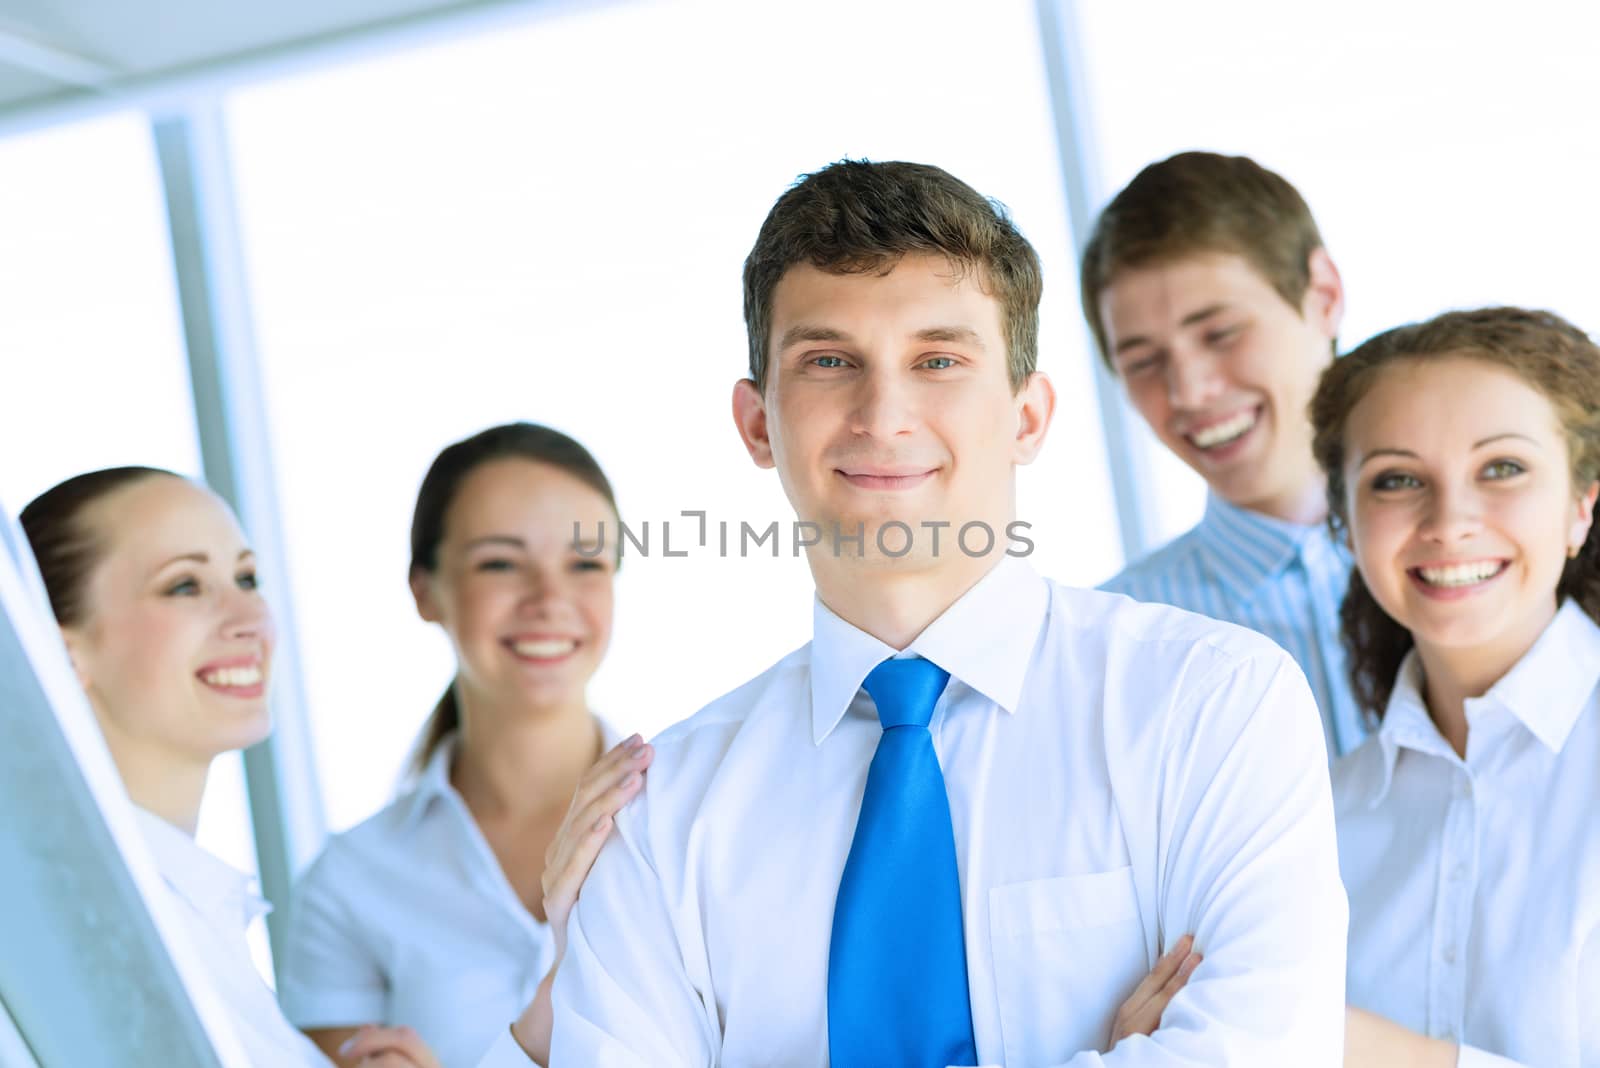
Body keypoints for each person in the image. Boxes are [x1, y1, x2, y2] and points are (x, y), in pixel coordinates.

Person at [474, 160, 1347, 1067]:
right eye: (827, 361)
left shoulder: (1213, 706)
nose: (882, 414)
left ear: (1028, 417)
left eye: (938, 360)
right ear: (758, 425)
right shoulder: (663, 820)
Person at [18, 467, 436, 1068]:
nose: (249, 617)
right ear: (63, 650)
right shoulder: (81, 936)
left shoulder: (195, 918)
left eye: (247, 577)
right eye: (184, 585)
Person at [280, 423, 652, 1067]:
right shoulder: (350, 882)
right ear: (425, 590)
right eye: (500, 563)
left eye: (585, 564)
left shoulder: (696, 822)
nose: (549, 600)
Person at [1310, 307, 1600, 1067]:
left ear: (1581, 506)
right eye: (1397, 480)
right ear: (1343, 523)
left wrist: (1369, 1050)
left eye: (1501, 468)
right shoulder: (1313, 817)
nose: (1450, 521)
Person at [1086, 151, 1367, 757]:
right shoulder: (1111, 646)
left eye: (1220, 334)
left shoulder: (1498, 564)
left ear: (1323, 295)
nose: (1188, 391)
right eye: (1143, 362)